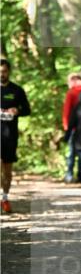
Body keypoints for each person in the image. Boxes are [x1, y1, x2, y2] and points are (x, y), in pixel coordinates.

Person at [0, 58, 31, 213]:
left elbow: (27, 110)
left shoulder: (17, 90)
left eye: (4, 72)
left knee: (7, 171)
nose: (1, 75)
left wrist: (17, 110)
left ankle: (4, 198)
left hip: (10, 135)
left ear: (9, 72)